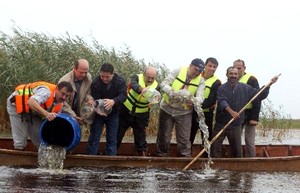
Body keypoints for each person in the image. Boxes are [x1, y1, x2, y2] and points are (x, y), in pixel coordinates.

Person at [211, 67, 278, 158]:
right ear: (227, 75)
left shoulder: (246, 88)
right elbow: (222, 101)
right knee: (215, 149)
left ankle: (237, 170)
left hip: (236, 124)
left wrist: (269, 85)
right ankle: (214, 167)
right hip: (221, 123)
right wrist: (231, 112)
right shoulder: (221, 88)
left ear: (238, 75)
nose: (233, 76)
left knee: (237, 153)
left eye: (235, 74)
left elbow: (259, 95)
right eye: (231, 74)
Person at [156, 58, 205, 157]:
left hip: (184, 112)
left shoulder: (201, 80)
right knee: (164, 136)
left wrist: (195, 101)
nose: (197, 73)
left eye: (200, 71)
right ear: (190, 66)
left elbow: (201, 97)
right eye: (195, 69)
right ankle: (162, 156)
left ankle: (185, 158)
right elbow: (163, 84)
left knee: (184, 138)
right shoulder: (177, 71)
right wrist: (172, 92)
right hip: (167, 108)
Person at [6, 81, 73, 150]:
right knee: (20, 141)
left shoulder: (60, 104)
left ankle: (43, 156)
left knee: (41, 139)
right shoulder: (45, 92)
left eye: (67, 96)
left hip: (32, 111)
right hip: (16, 106)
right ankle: (18, 153)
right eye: (62, 94)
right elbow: (31, 102)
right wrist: (47, 114)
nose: (64, 97)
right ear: (57, 89)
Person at [117, 66, 159, 156]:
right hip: (126, 110)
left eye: (153, 78)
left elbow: (156, 99)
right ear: (144, 75)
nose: (150, 80)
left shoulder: (156, 86)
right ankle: (111, 154)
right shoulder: (136, 77)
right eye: (148, 77)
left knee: (140, 138)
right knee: (118, 134)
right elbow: (133, 85)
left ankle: (142, 157)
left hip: (142, 114)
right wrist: (142, 90)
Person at [87, 62, 127, 156]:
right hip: (98, 114)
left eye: (107, 77)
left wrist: (113, 101)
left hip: (114, 113)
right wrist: (98, 110)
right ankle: (90, 158)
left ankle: (111, 160)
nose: (104, 79)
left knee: (112, 139)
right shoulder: (96, 83)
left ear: (113, 74)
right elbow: (94, 99)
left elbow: (124, 95)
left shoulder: (120, 81)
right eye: (102, 76)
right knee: (94, 137)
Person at [190, 57, 221, 146]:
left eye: (214, 67)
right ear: (205, 66)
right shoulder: (196, 76)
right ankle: (185, 156)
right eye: (210, 66)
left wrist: (195, 103)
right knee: (189, 136)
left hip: (206, 114)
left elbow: (212, 100)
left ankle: (206, 157)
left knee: (207, 138)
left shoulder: (217, 82)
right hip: (192, 112)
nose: (212, 69)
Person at [233, 59, 261, 157]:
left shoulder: (251, 79)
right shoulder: (232, 79)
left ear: (244, 68)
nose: (237, 70)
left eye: (239, 68)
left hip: (250, 113)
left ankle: (251, 160)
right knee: (235, 139)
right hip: (237, 114)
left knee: (249, 141)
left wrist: (254, 117)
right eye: (235, 68)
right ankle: (237, 159)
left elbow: (258, 97)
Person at [58, 59, 94, 125]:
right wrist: (73, 116)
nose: (83, 75)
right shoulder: (65, 80)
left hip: (77, 110)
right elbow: (62, 102)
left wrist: (90, 99)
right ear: (74, 69)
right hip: (64, 112)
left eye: (86, 72)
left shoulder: (88, 78)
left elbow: (87, 93)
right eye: (81, 72)